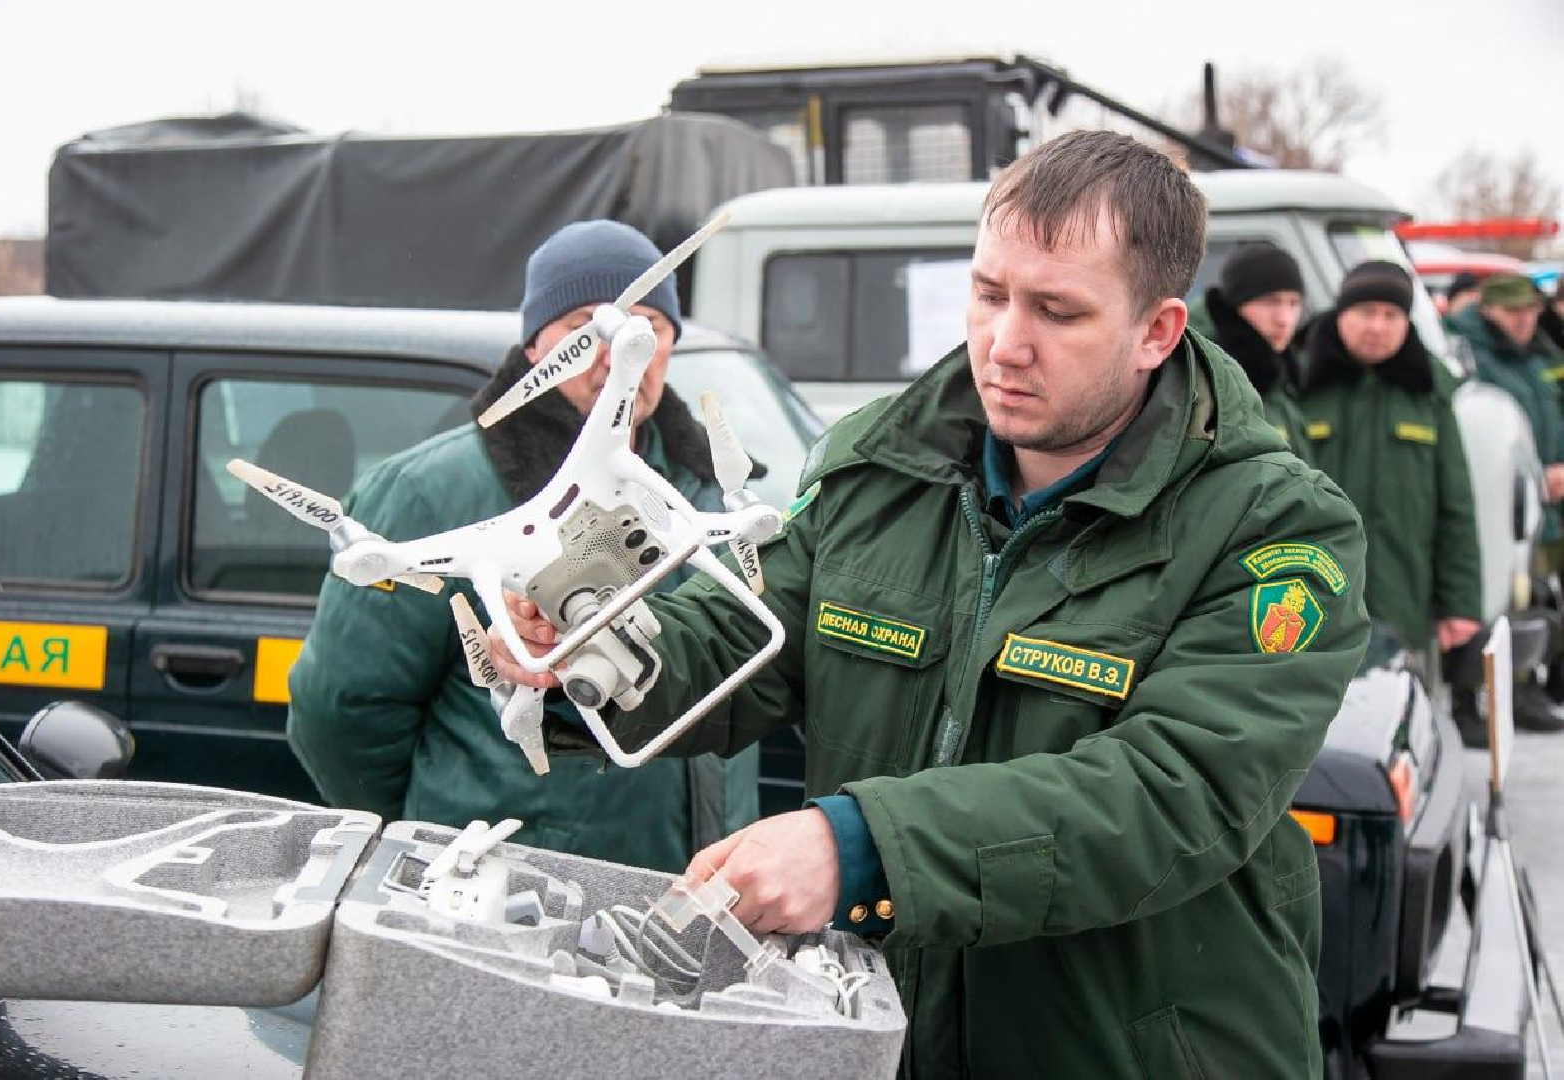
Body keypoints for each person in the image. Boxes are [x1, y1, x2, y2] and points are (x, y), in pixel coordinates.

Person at [492, 131, 1369, 1077]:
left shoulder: (1276, 531)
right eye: (988, 294)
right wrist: (591, 651)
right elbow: (750, 632)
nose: (1004, 343)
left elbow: (1174, 789)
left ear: (1156, 330)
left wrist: (862, 849)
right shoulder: (882, 466)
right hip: (891, 1040)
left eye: (1056, 311)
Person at [287, 220, 760, 872]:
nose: (617, 349)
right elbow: (341, 709)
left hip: (687, 883)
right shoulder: (429, 496)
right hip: (509, 894)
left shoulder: (707, 494)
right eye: (582, 329)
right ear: (536, 347)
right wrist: (424, 840)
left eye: (648, 322)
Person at [1299, 260, 1483, 658]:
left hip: (1402, 604)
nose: (1378, 327)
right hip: (1309, 606)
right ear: (1340, 314)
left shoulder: (1429, 390)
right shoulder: (1298, 382)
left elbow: (1455, 505)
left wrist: (1461, 605)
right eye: (1366, 312)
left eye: (1391, 315)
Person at [1447, 272, 1564, 732]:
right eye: (1514, 313)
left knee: (1530, 596)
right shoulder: (1469, 353)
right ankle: (1470, 699)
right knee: (1488, 597)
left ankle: (1523, 688)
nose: (1524, 321)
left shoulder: (1537, 355)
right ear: (1489, 310)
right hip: (1493, 496)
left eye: (1531, 312)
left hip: (1540, 496)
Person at [1188, 241, 1312, 456]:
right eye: (1270, 302)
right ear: (1236, 306)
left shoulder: (1284, 376)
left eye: (1293, 303)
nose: (1284, 319)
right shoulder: (1203, 375)